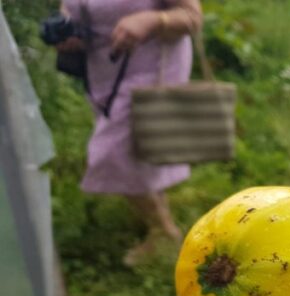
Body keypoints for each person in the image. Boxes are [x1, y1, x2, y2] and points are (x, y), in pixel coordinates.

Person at [56, 0, 202, 265]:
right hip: (105, 73)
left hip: (155, 68)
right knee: (139, 148)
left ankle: (164, 231)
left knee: (112, 154)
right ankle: (155, 215)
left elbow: (191, 17)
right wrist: (68, 34)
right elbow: (70, 11)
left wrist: (153, 20)